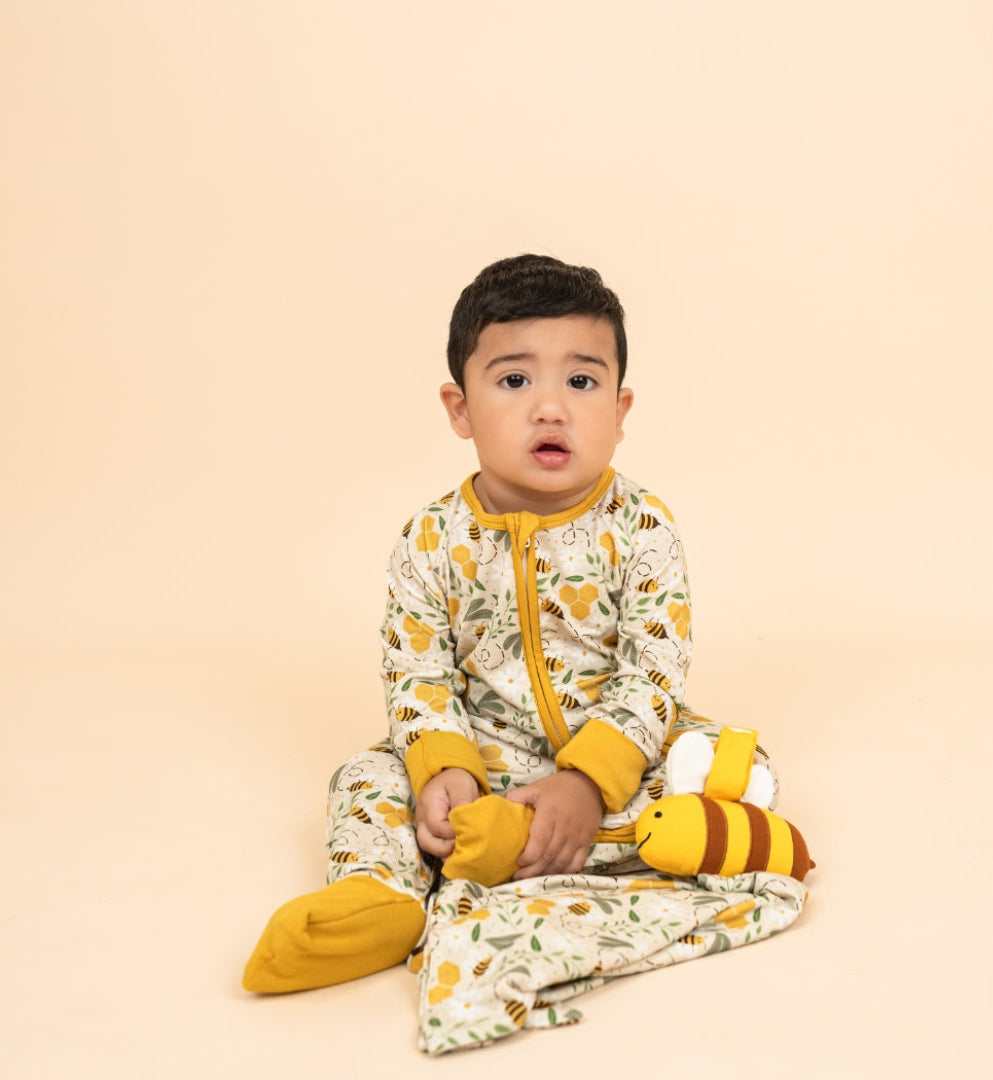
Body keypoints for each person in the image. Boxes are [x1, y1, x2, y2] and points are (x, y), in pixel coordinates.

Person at [242, 254, 772, 994]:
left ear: (619, 413)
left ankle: (599, 837)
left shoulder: (642, 527)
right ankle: (385, 893)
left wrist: (587, 785)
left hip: (620, 758)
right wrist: (447, 769)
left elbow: (653, 669)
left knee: (721, 761)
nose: (550, 408)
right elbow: (416, 674)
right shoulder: (430, 539)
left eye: (581, 382)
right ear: (460, 409)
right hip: (485, 763)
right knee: (364, 778)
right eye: (515, 380)